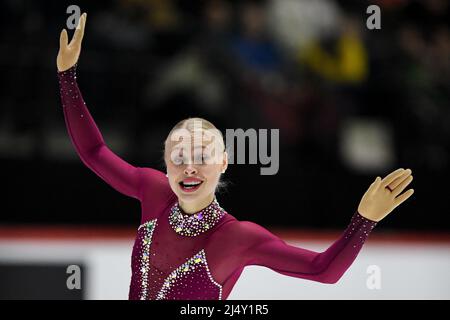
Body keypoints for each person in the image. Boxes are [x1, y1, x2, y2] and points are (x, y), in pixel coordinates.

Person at [56, 13, 414, 300]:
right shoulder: (153, 191)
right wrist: (67, 75)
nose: (189, 166)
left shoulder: (238, 238)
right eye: (178, 156)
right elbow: (93, 151)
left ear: (223, 162)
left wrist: (363, 220)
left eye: (201, 155)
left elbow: (323, 271)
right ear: (165, 165)